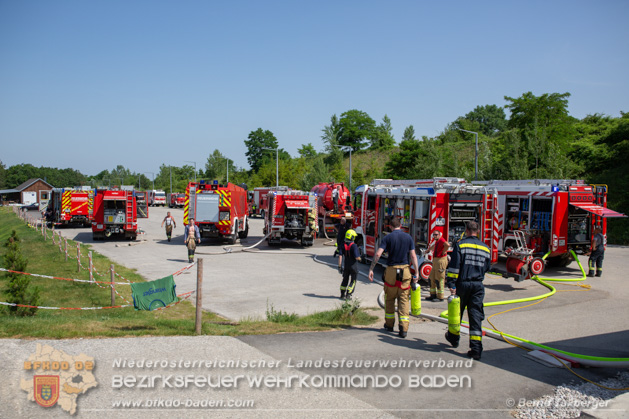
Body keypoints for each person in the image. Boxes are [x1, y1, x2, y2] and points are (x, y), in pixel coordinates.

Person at [444, 221, 491, 360]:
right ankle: (476, 349)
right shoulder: (485, 248)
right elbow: (487, 267)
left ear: (466, 230)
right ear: (478, 230)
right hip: (477, 285)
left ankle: (453, 338)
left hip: (462, 284)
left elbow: (454, 266)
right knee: (475, 316)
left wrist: (451, 283)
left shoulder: (461, 244)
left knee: (457, 313)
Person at [368, 217, 420, 338]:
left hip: (391, 271)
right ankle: (403, 329)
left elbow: (377, 254)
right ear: (400, 225)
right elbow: (413, 256)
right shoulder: (408, 237)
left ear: (390, 227)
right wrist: (416, 273)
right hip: (405, 271)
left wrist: (371, 269)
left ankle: (389, 324)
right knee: (403, 300)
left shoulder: (387, 238)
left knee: (390, 299)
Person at [426, 230, 449, 301]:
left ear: (439, 235)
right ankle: (433, 295)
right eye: (434, 235)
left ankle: (440, 297)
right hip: (436, 261)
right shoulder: (437, 241)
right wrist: (428, 250)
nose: (434, 236)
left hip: (441, 261)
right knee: (431, 278)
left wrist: (444, 251)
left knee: (439, 279)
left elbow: (447, 245)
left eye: (436, 234)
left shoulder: (442, 240)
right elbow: (434, 246)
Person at [339, 229, 362, 299]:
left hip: (346, 266)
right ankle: (348, 294)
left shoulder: (343, 245)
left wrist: (339, 266)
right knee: (353, 280)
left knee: (345, 279)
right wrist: (361, 259)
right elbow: (357, 257)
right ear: (352, 237)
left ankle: (342, 294)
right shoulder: (354, 246)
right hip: (353, 267)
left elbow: (340, 256)